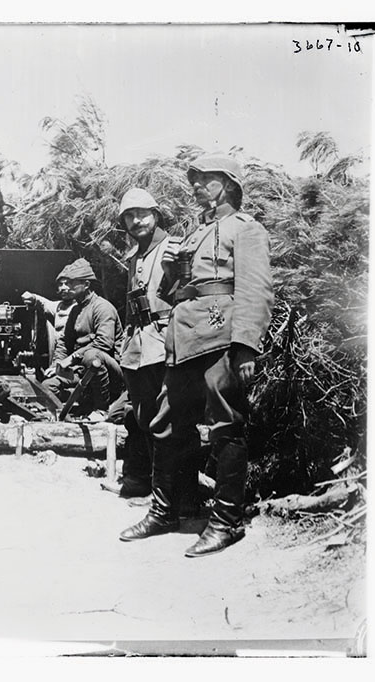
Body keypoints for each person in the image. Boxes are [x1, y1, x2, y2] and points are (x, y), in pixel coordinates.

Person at [119, 154, 273, 557]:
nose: (196, 186)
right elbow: (178, 294)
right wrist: (171, 274)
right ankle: (166, 511)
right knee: (166, 424)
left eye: (205, 179)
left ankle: (225, 521)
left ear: (227, 184)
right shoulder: (194, 234)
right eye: (196, 179)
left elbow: (255, 290)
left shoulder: (247, 230)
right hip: (184, 340)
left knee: (226, 426)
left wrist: (245, 346)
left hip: (222, 337)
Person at [113, 188, 173, 498]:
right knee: (142, 418)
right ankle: (148, 485)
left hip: (165, 345)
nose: (136, 221)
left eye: (142, 213)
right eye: (129, 216)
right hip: (136, 347)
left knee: (167, 423)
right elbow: (129, 307)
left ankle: (171, 496)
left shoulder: (175, 248)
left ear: (156, 214)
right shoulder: (134, 256)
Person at [40, 258, 124, 422]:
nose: (66, 287)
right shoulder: (76, 310)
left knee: (92, 356)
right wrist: (56, 365)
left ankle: (102, 409)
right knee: (48, 386)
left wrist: (71, 359)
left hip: (110, 373)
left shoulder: (102, 308)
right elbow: (64, 342)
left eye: (71, 283)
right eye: (64, 283)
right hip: (83, 370)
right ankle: (75, 407)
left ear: (86, 285)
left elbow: (104, 344)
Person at [21, 280, 77, 372]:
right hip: (60, 356)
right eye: (60, 284)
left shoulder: (82, 308)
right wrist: (33, 297)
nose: (63, 287)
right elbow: (43, 303)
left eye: (67, 283)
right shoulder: (58, 306)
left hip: (75, 359)